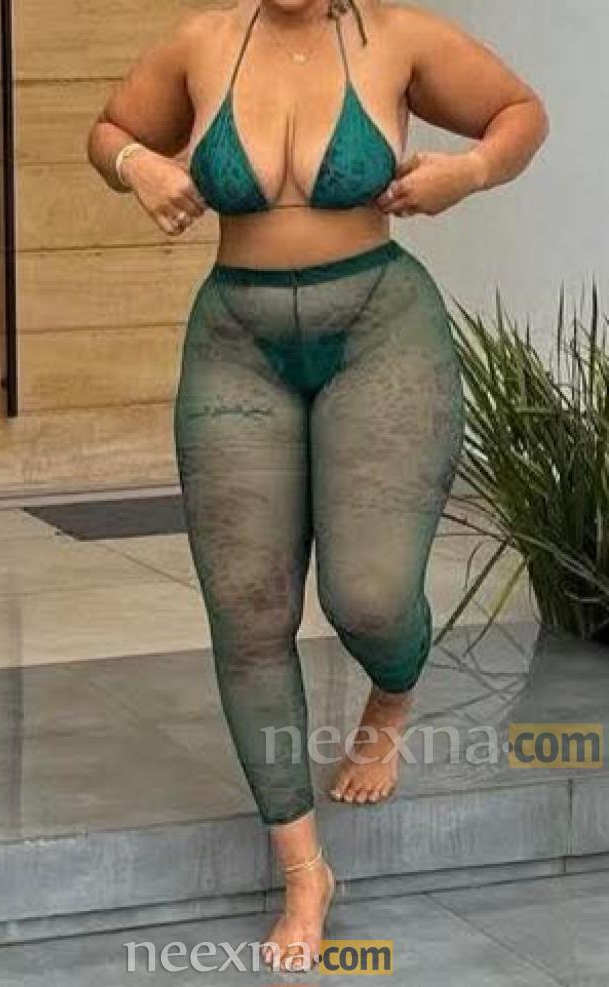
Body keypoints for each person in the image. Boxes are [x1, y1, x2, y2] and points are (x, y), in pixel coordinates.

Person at [87, 0, 548, 972]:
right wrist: (138, 165)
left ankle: (392, 698)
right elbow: (110, 128)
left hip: (380, 328)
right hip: (236, 342)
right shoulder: (203, 42)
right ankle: (304, 871)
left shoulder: (398, 37)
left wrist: (467, 171)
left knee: (368, 596)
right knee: (247, 611)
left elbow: (519, 112)